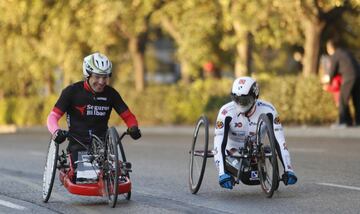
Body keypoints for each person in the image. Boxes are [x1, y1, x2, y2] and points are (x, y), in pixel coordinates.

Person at [46, 52, 141, 180]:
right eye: (97, 77)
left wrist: (133, 127)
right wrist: (56, 131)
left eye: (105, 77)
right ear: (88, 74)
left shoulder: (111, 94)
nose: (102, 82)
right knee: (83, 178)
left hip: (103, 144)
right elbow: (52, 117)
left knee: (111, 176)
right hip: (78, 143)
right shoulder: (72, 92)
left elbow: (128, 116)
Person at [214, 76, 297, 189]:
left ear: (255, 96)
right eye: (237, 99)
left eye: (245, 100)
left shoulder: (269, 110)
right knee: (244, 174)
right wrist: (222, 173)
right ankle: (228, 170)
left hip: (255, 148)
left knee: (255, 175)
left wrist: (289, 169)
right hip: (232, 150)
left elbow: (280, 140)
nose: (241, 104)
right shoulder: (225, 112)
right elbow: (218, 143)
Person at [326, 39, 360, 127]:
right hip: (358, 75)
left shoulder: (335, 55)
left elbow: (332, 71)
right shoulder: (346, 52)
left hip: (349, 77)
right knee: (357, 100)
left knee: (343, 99)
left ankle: (344, 121)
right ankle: (358, 122)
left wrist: (328, 82)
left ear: (330, 48)